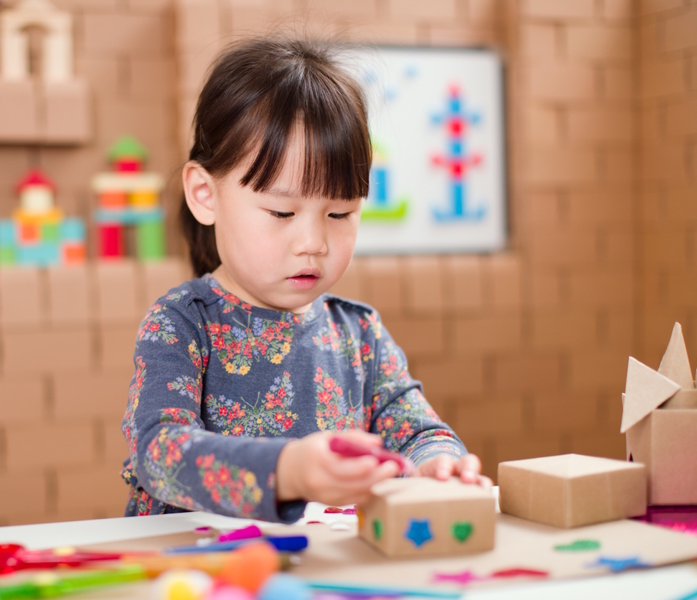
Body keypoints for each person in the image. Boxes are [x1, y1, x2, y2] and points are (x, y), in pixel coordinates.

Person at [121, 36, 490, 523]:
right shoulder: (181, 325)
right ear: (205, 195)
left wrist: (436, 465)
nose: (313, 241)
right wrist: (287, 472)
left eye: (339, 213)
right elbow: (159, 453)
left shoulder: (360, 334)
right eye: (282, 211)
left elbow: (417, 430)